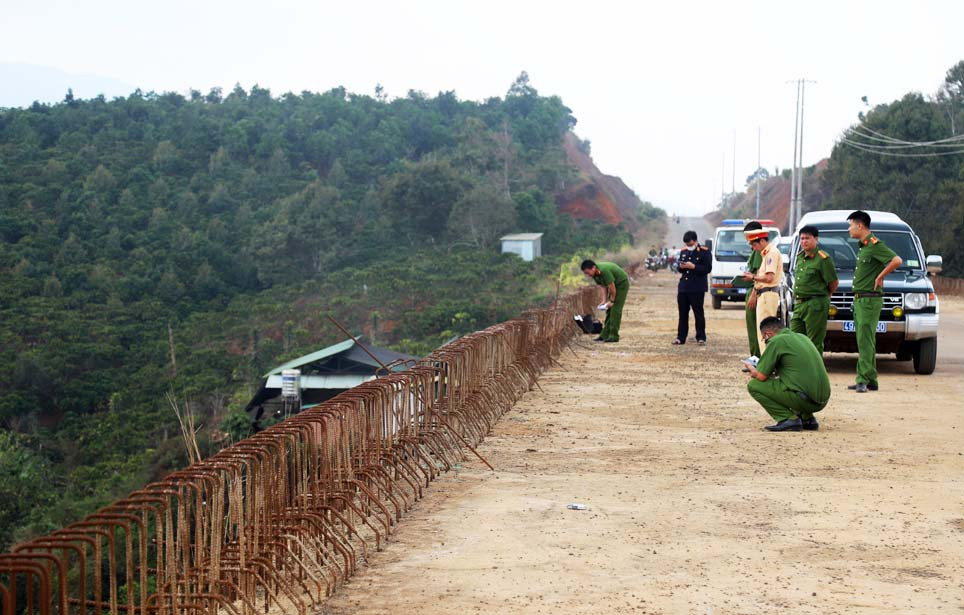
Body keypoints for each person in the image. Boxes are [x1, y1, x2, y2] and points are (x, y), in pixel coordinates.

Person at [845, 210, 902, 392]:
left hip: (869, 299)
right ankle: (871, 379)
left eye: (851, 224)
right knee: (865, 340)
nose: (849, 228)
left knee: (865, 339)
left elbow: (896, 260)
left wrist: (880, 276)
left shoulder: (874, 244)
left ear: (860, 225)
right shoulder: (864, 246)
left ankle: (862, 379)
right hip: (861, 300)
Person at [745, 316, 830, 431]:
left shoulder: (776, 341)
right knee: (791, 381)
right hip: (822, 400)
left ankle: (787, 419)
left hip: (805, 400)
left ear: (767, 334)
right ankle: (807, 418)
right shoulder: (802, 337)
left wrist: (752, 369)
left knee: (754, 386)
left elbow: (761, 376)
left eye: (764, 339)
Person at [790, 224, 839, 352]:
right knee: (794, 338)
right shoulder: (800, 257)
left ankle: (814, 371)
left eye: (807, 238)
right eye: (801, 238)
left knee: (814, 342)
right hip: (800, 304)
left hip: (815, 304)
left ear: (816, 239)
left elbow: (833, 282)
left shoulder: (823, 259)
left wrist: (824, 296)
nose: (804, 241)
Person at [741, 226, 782, 352]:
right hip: (764, 295)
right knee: (763, 331)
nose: (753, 248)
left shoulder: (771, 253)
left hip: (767, 295)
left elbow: (769, 278)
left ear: (762, 242)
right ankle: (766, 363)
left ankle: (768, 365)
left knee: (766, 332)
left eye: (754, 245)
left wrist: (753, 277)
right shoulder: (765, 254)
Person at [674, 230, 711, 345]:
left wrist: (693, 266)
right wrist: (681, 266)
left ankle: (701, 337)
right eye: (687, 245)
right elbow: (680, 269)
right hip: (684, 287)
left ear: (695, 241)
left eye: (690, 244)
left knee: (698, 313)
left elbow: (707, 269)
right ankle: (681, 337)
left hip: (697, 287)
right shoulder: (684, 251)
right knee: (682, 314)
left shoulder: (704, 252)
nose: (688, 247)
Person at [581, 259, 630, 343]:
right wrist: (604, 301)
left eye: (587, 272)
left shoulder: (604, 271)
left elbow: (612, 287)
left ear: (593, 268)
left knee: (615, 310)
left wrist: (612, 301)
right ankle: (605, 335)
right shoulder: (595, 275)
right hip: (614, 286)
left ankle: (614, 336)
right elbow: (603, 286)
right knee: (609, 311)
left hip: (621, 284)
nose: (587, 275)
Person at [741, 222, 765, 359]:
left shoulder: (758, 252)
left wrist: (754, 295)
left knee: (754, 327)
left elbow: (758, 274)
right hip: (754, 290)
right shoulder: (757, 250)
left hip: (755, 291)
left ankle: (756, 357)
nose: (747, 240)